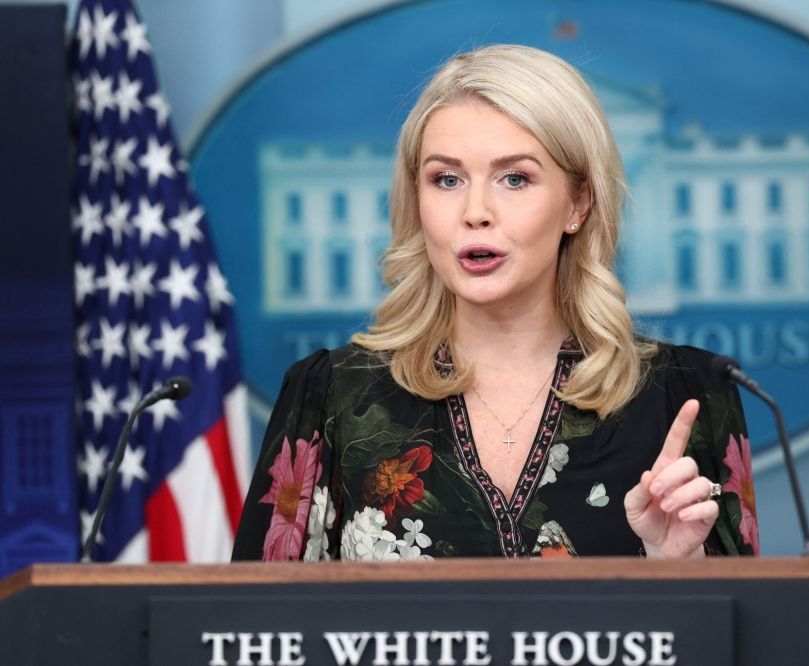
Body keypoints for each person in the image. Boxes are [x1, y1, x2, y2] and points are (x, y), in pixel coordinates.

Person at [232, 44, 759, 562]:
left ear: (578, 203)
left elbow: (752, 635)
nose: (475, 211)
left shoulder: (686, 397)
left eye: (514, 178)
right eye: (446, 179)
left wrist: (676, 571)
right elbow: (253, 631)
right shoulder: (329, 396)